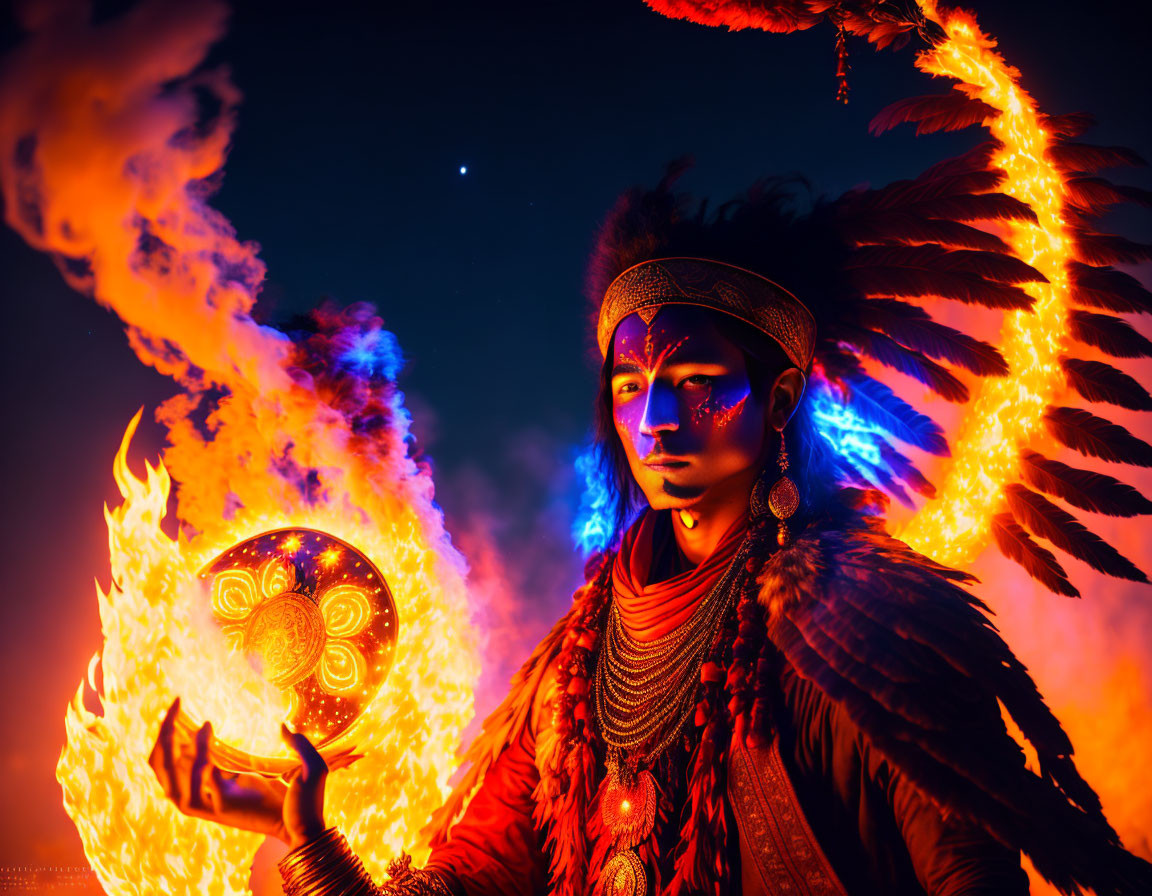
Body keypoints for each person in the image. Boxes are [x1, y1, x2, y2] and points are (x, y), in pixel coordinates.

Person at [150, 163, 1152, 896]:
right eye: (631, 387)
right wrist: (306, 835)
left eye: (699, 384)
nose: (656, 420)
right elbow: (469, 883)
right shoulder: (578, 657)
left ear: (782, 392)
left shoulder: (865, 631)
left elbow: (970, 878)